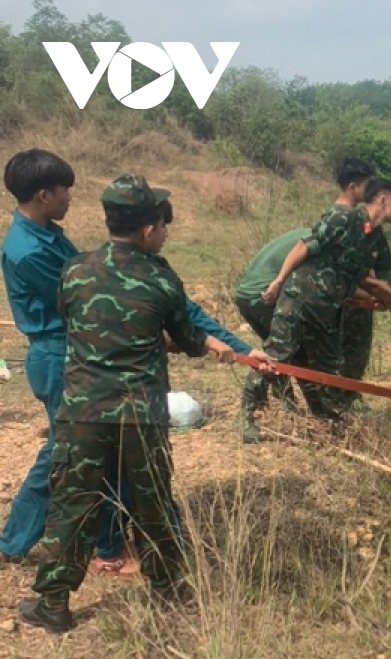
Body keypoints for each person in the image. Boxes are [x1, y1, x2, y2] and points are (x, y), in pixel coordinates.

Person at [16, 173, 263, 634]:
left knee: (74, 503)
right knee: (151, 500)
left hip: (83, 413)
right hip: (140, 414)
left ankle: (53, 605)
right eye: (162, 225)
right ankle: (168, 587)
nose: (165, 233)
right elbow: (188, 337)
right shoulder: (161, 276)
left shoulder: (75, 269)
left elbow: (78, 323)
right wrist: (218, 347)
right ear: (148, 230)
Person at [244, 178, 391, 439]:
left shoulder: (373, 237)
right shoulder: (344, 219)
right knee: (277, 358)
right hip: (300, 298)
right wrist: (278, 281)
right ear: (382, 200)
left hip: (329, 310)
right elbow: (304, 246)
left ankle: (332, 423)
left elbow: (376, 278)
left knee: (330, 367)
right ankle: (249, 417)